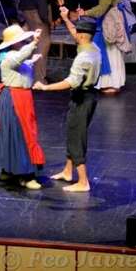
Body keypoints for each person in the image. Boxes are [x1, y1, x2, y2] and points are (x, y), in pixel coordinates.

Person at [33, 16, 102, 193]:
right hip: (89, 95)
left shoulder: (83, 58)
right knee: (72, 132)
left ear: (80, 36)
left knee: (76, 138)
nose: (74, 33)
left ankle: (83, 181)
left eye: (76, 32)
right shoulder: (93, 47)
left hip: (82, 98)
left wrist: (45, 87)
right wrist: (64, 17)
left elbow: (70, 82)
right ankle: (67, 171)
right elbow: (76, 33)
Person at [0, 25, 46, 190]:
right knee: (19, 134)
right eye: (21, 40)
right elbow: (18, 59)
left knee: (19, 133)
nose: (24, 41)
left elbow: (21, 61)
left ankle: (11, 170)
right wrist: (34, 42)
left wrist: (32, 60)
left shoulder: (15, 55)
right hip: (14, 98)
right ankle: (24, 175)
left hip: (22, 97)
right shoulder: (8, 57)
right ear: (15, 43)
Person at [78, 0, 132, 93]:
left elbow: (103, 7)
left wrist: (85, 13)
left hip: (109, 18)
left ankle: (110, 82)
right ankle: (116, 81)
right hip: (117, 13)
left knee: (107, 47)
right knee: (112, 48)